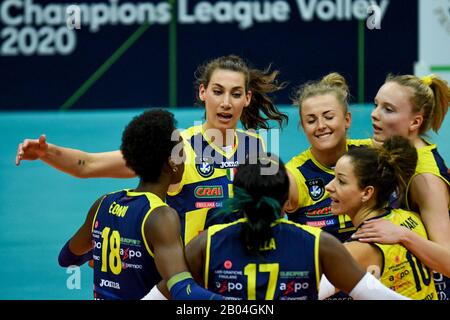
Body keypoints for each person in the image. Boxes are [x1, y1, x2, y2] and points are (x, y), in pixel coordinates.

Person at [15, 55, 288, 245]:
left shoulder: (256, 146)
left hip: (238, 275)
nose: (226, 103)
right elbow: (89, 165)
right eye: (218, 91)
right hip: (187, 279)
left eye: (236, 93)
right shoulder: (176, 146)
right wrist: (46, 152)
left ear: (247, 98)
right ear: (203, 93)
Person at [183, 155, 409, 300]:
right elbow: (378, 295)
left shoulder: (207, 243)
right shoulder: (319, 243)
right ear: (285, 201)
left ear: (238, 198)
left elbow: (160, 295)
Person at [58, 109, 223, 300]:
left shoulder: (102, 203)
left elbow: (66, 258)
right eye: (182, 153)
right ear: (172, 163)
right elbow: (183, 289)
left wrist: (102, 252)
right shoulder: (161, 217)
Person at [352, 74, 450, 300]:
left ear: (415, 122)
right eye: (376, 104)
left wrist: (402, 234)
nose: (374, 114)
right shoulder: (394, 149)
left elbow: (447, 261)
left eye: (388, 109)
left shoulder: (425, 180)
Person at [322, 136, 437, 300]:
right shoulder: (410, 217)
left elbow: (302, 293)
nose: (329, 187)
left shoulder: (359, 248)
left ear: (367, 193)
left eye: (341, 181)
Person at [285, 73, 371, 241]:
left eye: (328, 117)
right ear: (303, 127)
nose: (321, 126)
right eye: (311, 121)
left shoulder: (372, 153)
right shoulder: (294, 175)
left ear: (347, 120)